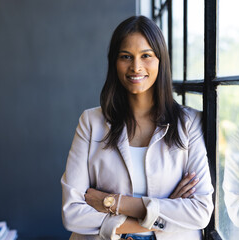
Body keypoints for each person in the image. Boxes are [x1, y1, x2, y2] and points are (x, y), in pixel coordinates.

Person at [61, 16, 214, 240]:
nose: (136, 66)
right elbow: (72, 214)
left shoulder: (188, 124)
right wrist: (164, 211)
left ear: (160, 60)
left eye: (146, 56)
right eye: (126, 57)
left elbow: (200, 211)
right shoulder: (90, 122)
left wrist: (111, 202)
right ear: (114, 62)